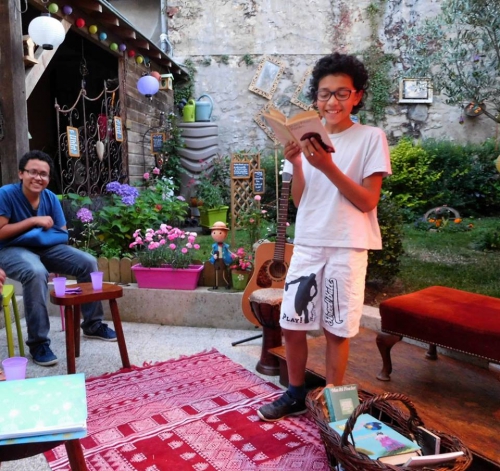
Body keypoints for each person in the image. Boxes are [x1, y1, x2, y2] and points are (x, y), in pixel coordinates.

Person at [257, 53, 391, 421]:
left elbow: (367, 200)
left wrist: (327, 166)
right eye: (324, 94)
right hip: (311, 241)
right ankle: (296, 393)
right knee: (291, 322)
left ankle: (335, 406)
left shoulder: (370, 138)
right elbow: (300, 200)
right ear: (315, 98)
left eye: (341, 93)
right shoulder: (305, 138)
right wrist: (299, 164)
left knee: (337, 327)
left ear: (358, 96)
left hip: (348, 244)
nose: (332, 102)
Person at [0, 150, 117, 367]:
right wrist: (33, 221)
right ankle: (38, 343)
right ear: (21, 174)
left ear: (48, 178)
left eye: (43, 174)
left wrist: (40, 239)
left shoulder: (50, 198)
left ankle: (92, 324)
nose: (38, 178)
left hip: (46, 247)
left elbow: (61, 232)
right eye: (32, 172)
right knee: (35, 272)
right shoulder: (6, 194)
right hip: (11, 249)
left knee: (87, 262)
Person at [209, 221, 233, 289]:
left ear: (226, 234)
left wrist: (233, 255)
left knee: (223, 272)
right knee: (216, 272)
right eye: (214, 232)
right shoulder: (214, 246)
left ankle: (227, 283)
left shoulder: (225, 246)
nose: (217, 235)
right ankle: (216, 285)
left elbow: (229, 251)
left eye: (220, 233)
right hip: (217, 260)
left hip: (223, 260)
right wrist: (213, 256)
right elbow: (211, 252)